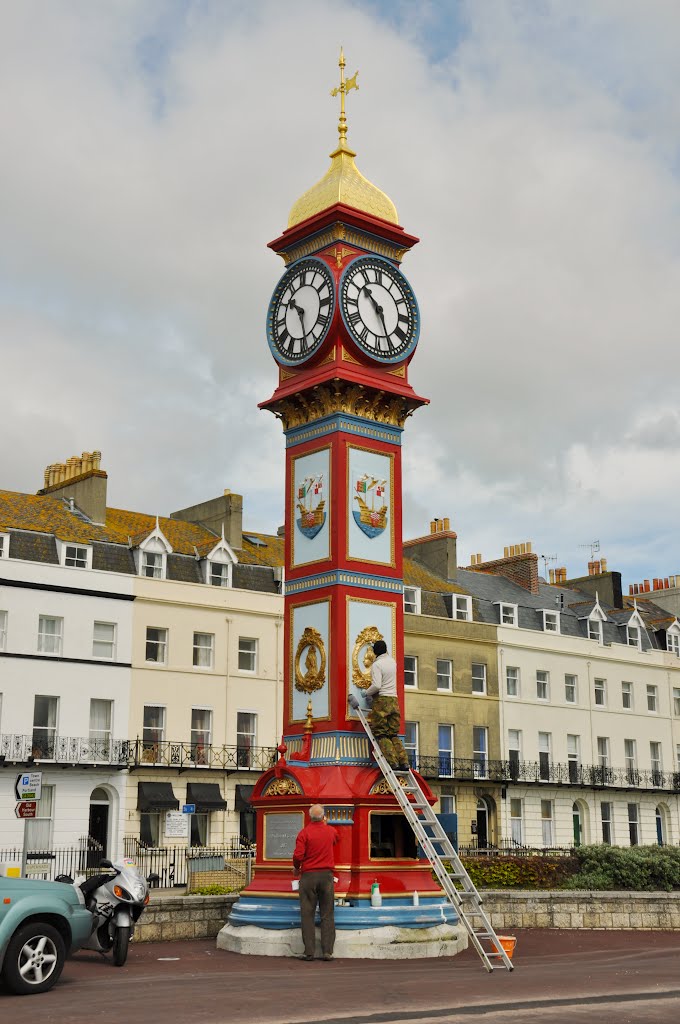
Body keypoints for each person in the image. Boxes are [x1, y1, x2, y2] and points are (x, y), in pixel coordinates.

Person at [293, 804, 339, 961]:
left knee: (307, 914)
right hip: (326, 876)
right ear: (323, 817)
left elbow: (298, 856)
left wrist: (296, 868)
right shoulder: (331, 831)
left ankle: (309, 952)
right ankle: (327, 951)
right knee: (327, 913)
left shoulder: (304, 833)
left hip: (308, 876)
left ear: (309, 817)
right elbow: (336, 840)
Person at [363, 639, 410, 770]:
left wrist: (366, 693)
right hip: (394, 700)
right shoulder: (392, 662)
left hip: (382, 701)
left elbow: (377, 686)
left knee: (382, 734)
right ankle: (404, 762)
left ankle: (393, 762)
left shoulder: (377, 665)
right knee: (393, 734)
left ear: (375, 652)